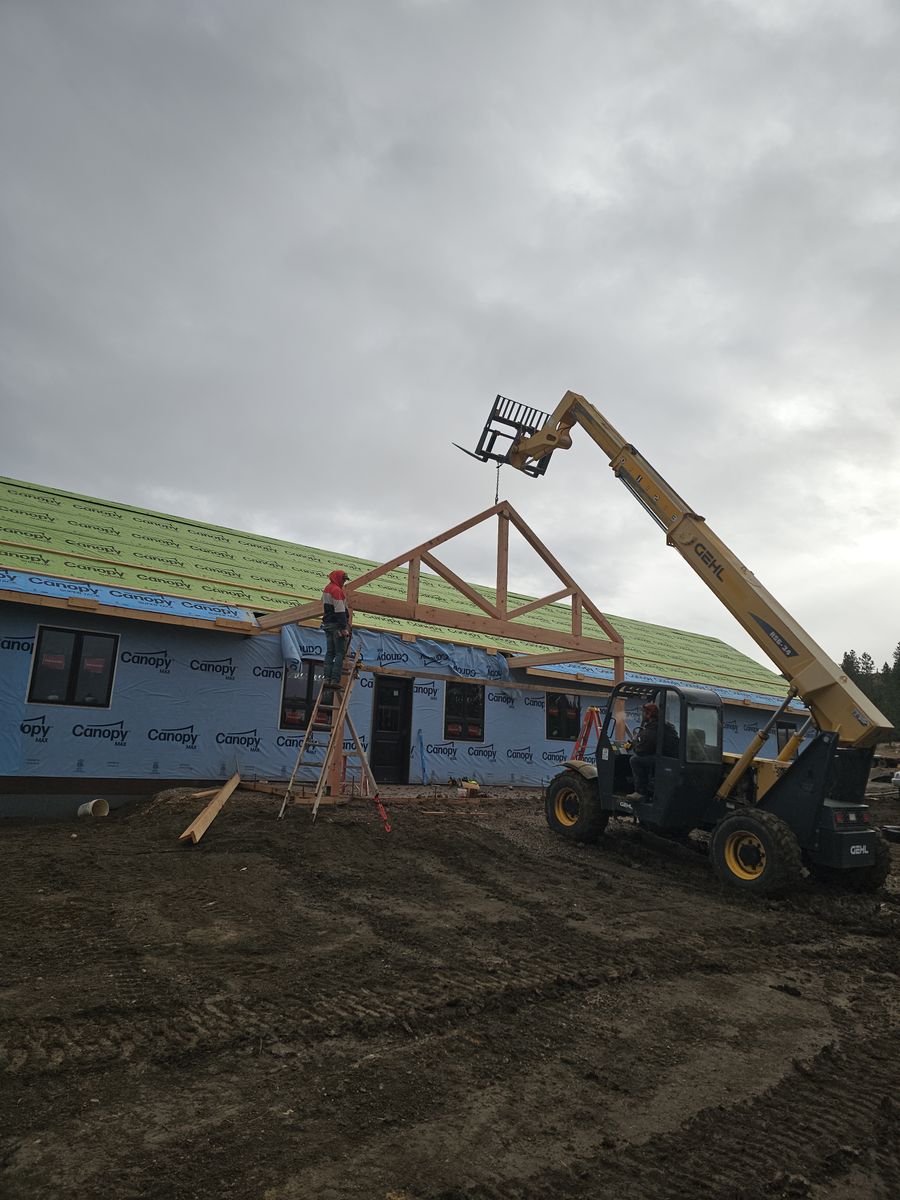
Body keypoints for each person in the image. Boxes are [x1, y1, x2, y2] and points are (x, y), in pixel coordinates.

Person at [626, 701, 678, 802]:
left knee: (635, 760)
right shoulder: (666, 726)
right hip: (670, 758)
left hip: (662, 760)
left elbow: (641, 750)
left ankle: (640, 792)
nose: (642, 715)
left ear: (649, 714)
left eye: (644, 713)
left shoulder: (652, 729)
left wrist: (635, 744)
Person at [321, 569, 352, 688]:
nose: (344, 582)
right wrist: (344, 627)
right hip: (337, 626)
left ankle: (326, 678)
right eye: (343, 579)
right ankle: (334, 680)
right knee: (339, 653)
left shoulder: (327, 589)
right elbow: (340, 611)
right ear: (338, 578)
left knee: (330, 653)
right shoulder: (336, 590)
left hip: (328, 625)